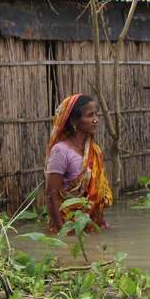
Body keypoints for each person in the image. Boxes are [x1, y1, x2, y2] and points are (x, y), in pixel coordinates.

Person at [45, 94, 113, 234]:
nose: (96, 119)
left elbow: (96, 195)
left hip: (92, 226)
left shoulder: (94, 149)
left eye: (96, 114)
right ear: (74, 121)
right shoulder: (60, 151)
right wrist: (62, 234)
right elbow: (51, 195)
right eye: (89, 115)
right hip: (68, 226)